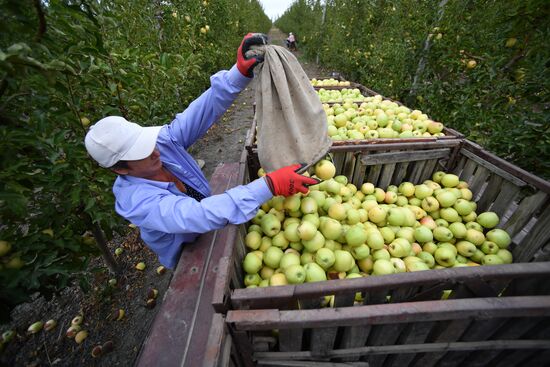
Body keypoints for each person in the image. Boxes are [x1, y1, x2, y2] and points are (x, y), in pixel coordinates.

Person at [84, 33, 319, 269]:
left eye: (147, 144)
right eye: (141, 154)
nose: (154, 152)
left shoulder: (162, 142)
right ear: (119, 169)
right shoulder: (136, 202)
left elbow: (203, 109)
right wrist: (268, 185)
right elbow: (195, 216)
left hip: (213, 217)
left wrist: (238, 72)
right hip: (187, 254)